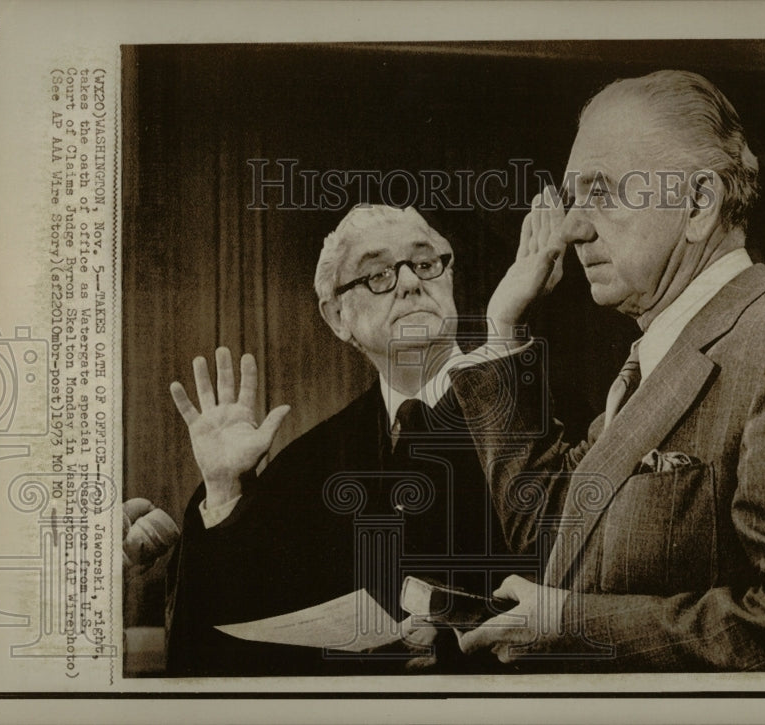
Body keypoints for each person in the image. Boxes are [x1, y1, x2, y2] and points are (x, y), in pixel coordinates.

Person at [453, 70, 765, 671]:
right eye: (572, 195)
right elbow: (557, 537)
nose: (571, 226)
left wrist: (569, 624)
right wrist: (505, 330)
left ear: (699, 203)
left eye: (601, 191)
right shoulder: (656, 357)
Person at [165, 204, 531, 676]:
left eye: (424, 264)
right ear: (337, 317)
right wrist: (224, 492)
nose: (410, 283)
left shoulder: (541, 415)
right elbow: (223, 633)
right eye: (378, 273)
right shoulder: (311, 462)